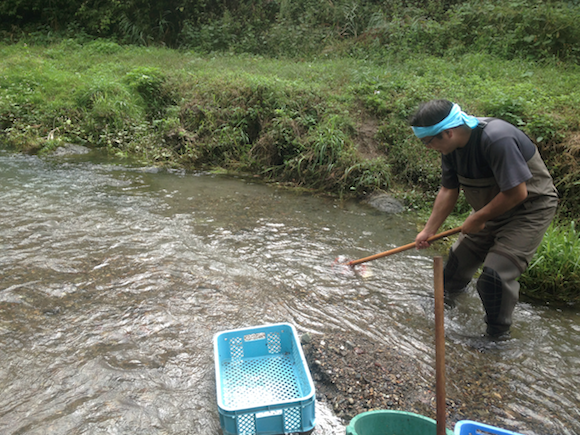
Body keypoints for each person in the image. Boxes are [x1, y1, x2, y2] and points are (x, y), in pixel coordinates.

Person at [410, 99, 558, 338]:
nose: (427, 147)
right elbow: (449, 190)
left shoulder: (497, 139)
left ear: (447, 133)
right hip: (490, 208)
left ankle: (498, 338)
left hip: (528, 210)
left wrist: (479, 217)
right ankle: (444, 306)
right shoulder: (450, 148)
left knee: (494, 277)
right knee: (455, 266)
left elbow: (517, 192)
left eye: (428, 142)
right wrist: (429, 230)